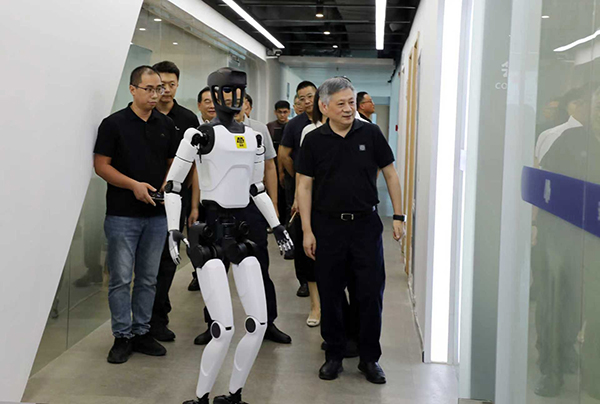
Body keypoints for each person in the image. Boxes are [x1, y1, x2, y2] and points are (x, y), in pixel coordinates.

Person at [296, 77, 406, 384]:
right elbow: (304, 186)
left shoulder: (370, 133)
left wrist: (398, 216)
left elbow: (390, 174)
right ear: (324, 106)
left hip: (365, 226)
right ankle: (334, 354)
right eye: (341, 104)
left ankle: (369, 358)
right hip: (327, 226)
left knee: (369, 293)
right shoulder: (313, 140)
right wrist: (307, 230)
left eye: (351, 103)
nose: (348, 109)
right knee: (330, 293)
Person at [93, 65, 180, 364]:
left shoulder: (166, 125)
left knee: (148, 278)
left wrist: (166, 186)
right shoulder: (114, 124)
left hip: (156, 215)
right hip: (122, 215)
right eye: (149, 89)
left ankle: (142, 331)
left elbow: (172, 163)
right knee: (120, 278)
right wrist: (133, 186)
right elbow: (101, 166)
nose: (156, 94)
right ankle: (122, 335)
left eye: (160, 89)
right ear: (132, 89)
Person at [193, 97, 292, 347]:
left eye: (238, 100)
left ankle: (267, 322)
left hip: (250, 207)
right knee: (216, 266)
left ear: (247, 105)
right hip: (218, 209)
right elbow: (199, 171)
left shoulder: (257, 131)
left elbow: (269, 167)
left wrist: (273, 206)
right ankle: (213, 323)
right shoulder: (209, 132)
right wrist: (196, 205)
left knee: (258, 265)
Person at [148, 61, 201, 342]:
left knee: (168, 260)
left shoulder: (188, 119)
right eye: (161, 85)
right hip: (144, 199)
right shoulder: (144, 113)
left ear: (178, 85)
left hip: (176, 200)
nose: (166, 90)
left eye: (171, 84)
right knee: (145, 263)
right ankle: (142, 320)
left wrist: (193, 205)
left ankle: (159, 318)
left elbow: (195, 166)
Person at [279, 81, 317, 298]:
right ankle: (304, 280)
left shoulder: (328, 119)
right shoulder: (294, 125)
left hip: (323, 187)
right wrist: (299, 178)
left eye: (310, 96)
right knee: (301, 231)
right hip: (299, 184)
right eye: (302, 98)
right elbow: (284, 155)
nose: (307, 101)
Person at [267, 100, 291, 223]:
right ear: (275, 112)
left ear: (289, 112)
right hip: (272, 165)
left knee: (287, 197)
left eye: (285, 112)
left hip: (287, 165)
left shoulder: (292, 126)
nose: (282, 115)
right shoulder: (269, 127)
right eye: (280, 112)